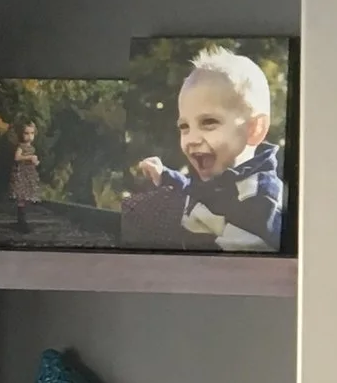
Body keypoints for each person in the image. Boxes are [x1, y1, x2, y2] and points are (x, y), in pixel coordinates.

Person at [121, 47, 284, 253]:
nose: (192, 139)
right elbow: (195, 189)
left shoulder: (259, 199)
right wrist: (167, 176)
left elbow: (248, 261)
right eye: (184, 127)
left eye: (208, 122)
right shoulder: (221, 178)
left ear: (254, 129)